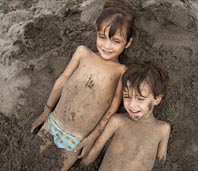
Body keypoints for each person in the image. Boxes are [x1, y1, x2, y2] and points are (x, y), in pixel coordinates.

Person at [30, 0, 135, 170]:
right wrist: (46, 110)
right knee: (29, 158)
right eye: (102, 37)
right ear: (96, 33)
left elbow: (111, 109)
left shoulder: (121, 71)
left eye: (116, 41)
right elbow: (62, 80)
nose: (107, 46)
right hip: (53, 123)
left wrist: (92, 137)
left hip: (76, 138)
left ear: (128, 43)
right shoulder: (82, 53)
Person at [82, 62, 171, 171]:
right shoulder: (117, 121)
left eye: (140, 98)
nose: (132, 104)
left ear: (157, 99)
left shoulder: (163, 129)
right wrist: (83, 166)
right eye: (127, 96)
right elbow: (97, 148)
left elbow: (161, 162)